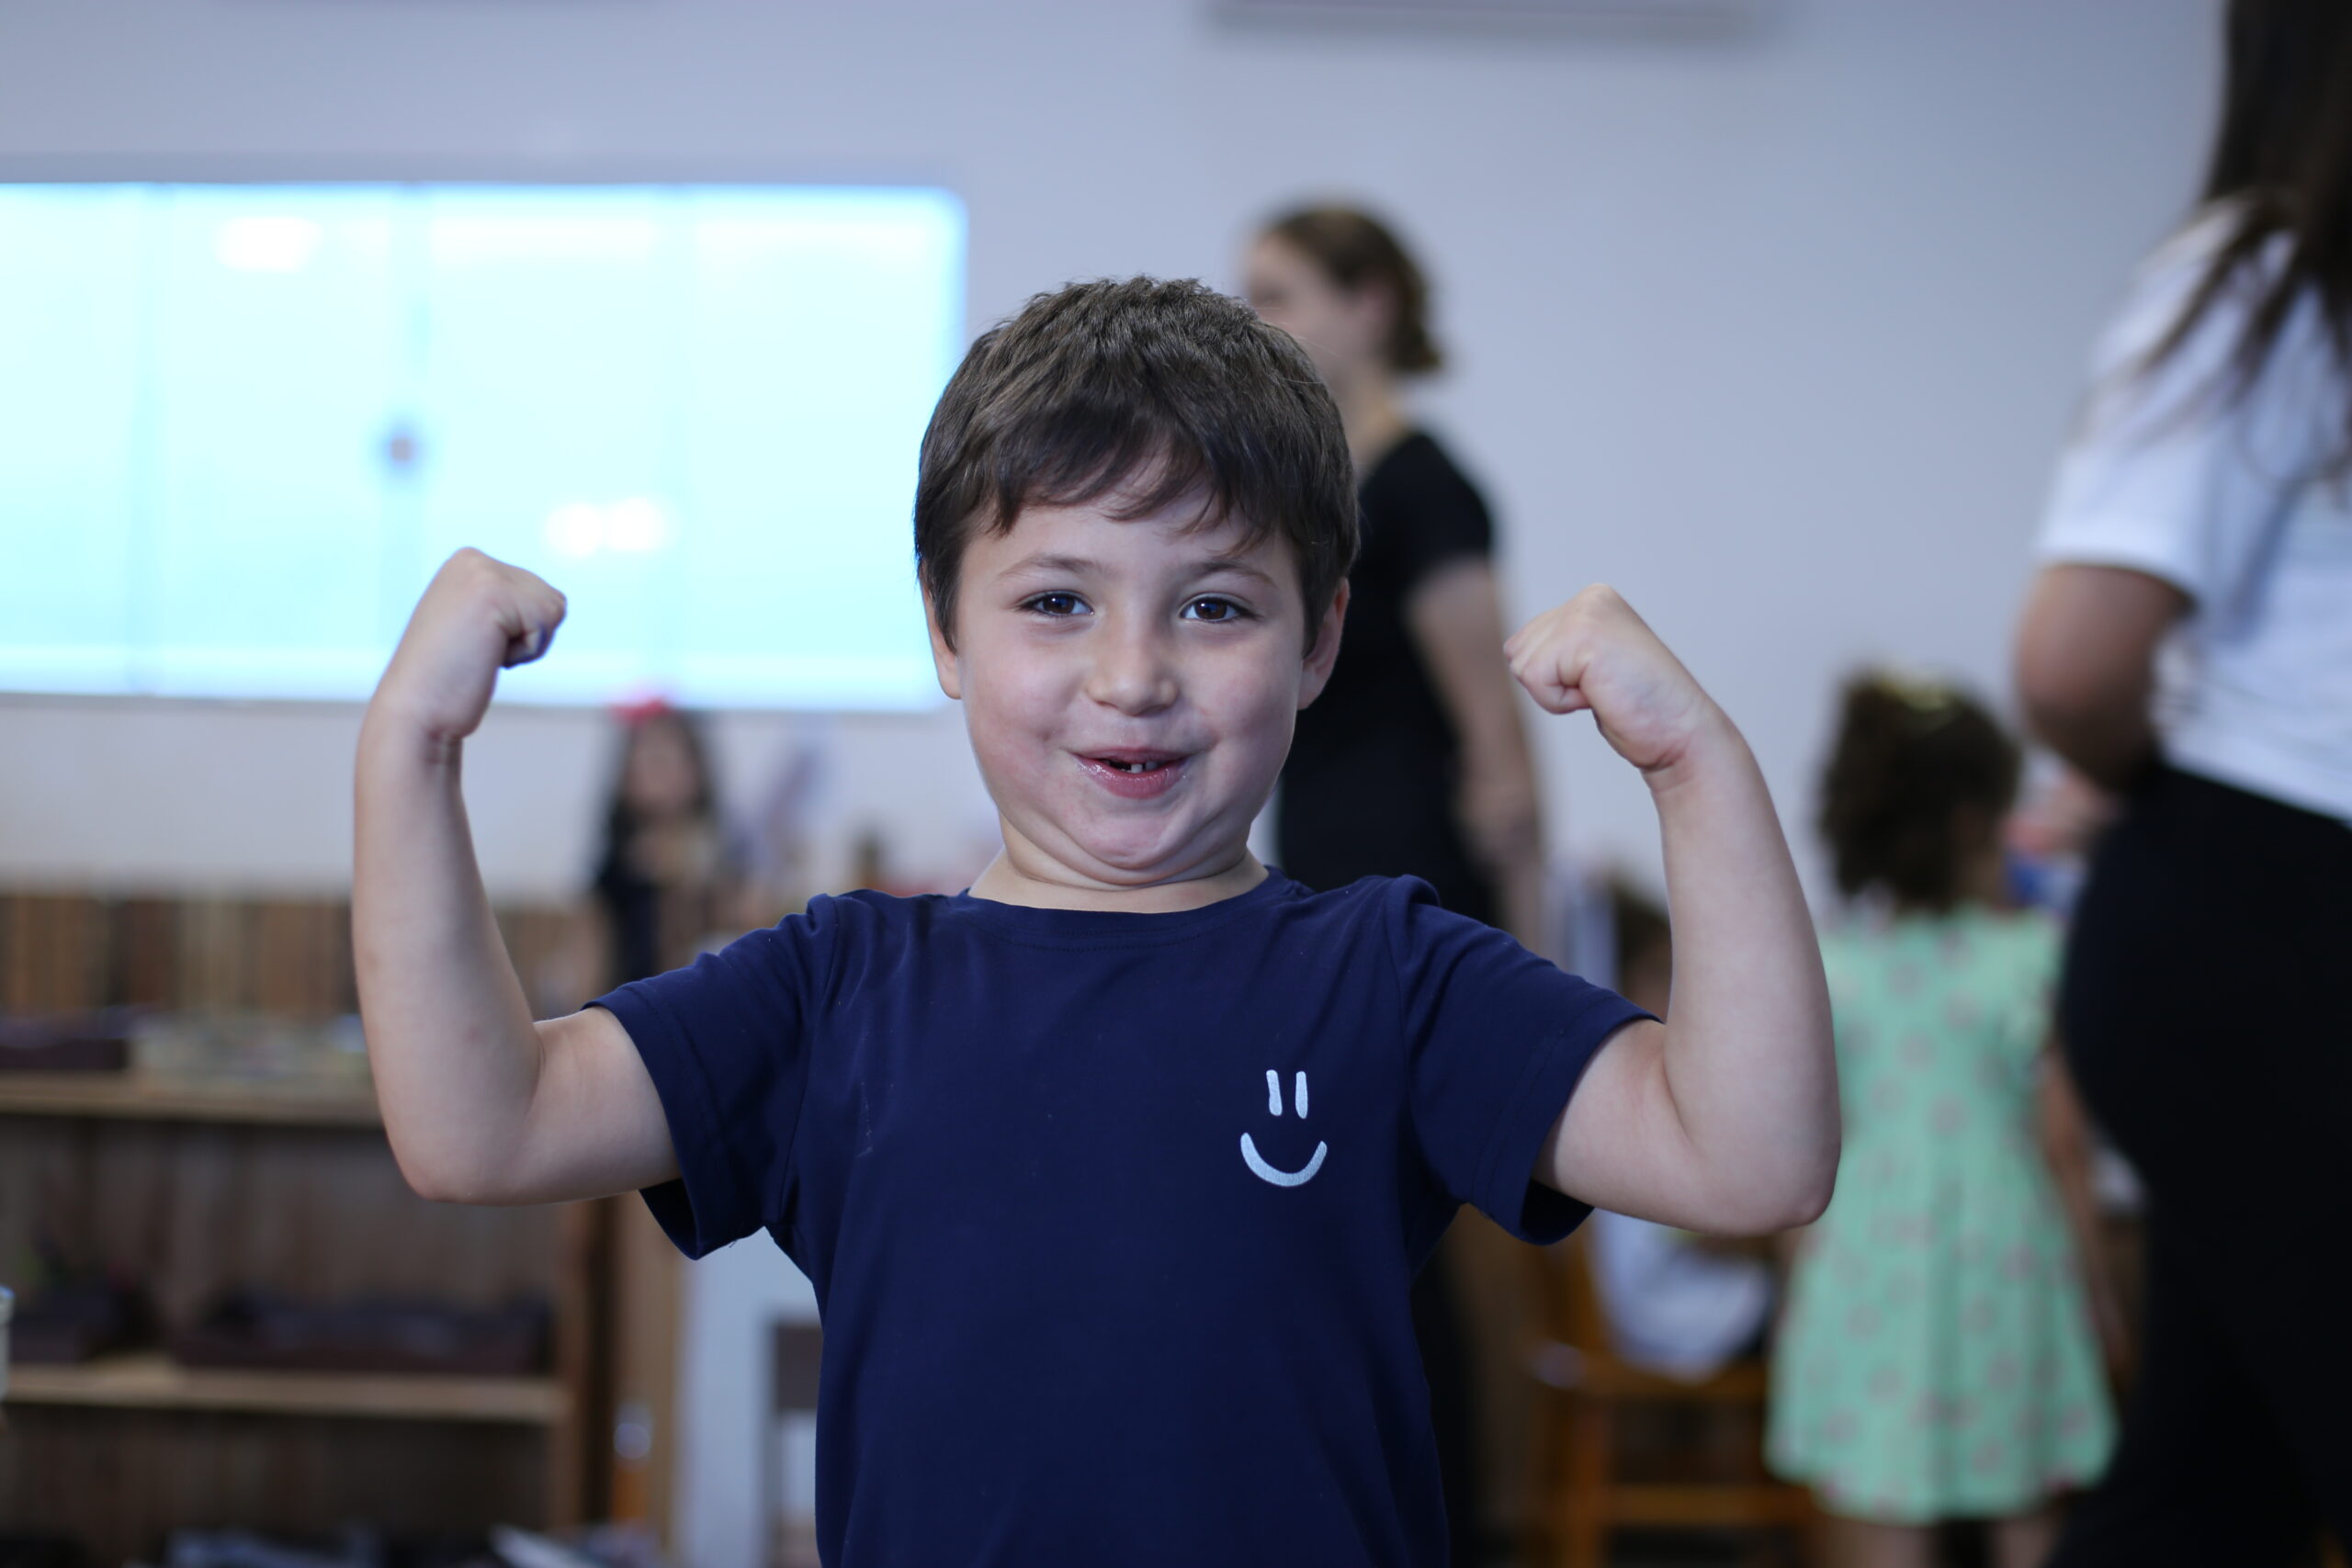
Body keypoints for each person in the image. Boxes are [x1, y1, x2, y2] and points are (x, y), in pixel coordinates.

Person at [351, 276, 1838, 1567]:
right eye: (1058, 601)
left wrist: (1695, 764)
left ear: (1319, 638)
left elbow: (1752, 1154)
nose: (1133, 674)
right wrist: (406, 750)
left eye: (1214, 607)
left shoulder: (1390, 974)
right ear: (945, 626)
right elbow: (482, 1126)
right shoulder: (839, 990)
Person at [2015, 2, 2352, 1558]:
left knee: (2208, 1489)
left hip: (2254, 903)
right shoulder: (2272, 276)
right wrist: (2171, 775)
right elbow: (2073, 662)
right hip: (2267, 919)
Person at [1768, 675, 2120, 1568]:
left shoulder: (1832, 966)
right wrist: (2102, 1298)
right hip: (2006, 1261)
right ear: (1974, 820)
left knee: (1885, 1506)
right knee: (2026, 1510)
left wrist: (1792, 1297)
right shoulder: (2031, 954)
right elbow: (2066, 1148)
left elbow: (1794, 1152)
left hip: (1865, 1262)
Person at [1243, 206, 1544, 944]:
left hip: (1419, 888)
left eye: (1277, 296)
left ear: (1368, 306)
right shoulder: (1300, 497)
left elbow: (1496, 741)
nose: (1255, 323)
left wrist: (1543, 961)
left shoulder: (1425, 489)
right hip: (1321, 867)